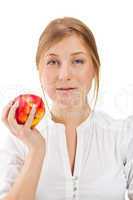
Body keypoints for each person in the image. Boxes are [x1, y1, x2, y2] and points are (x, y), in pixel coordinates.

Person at [0, 16, 133, 200]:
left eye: (78, 61)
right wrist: (36, 151)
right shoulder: (19, 140)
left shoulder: (123, 136)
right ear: (39, 69)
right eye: (53, 62)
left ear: (94, 68)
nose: (64, 75)